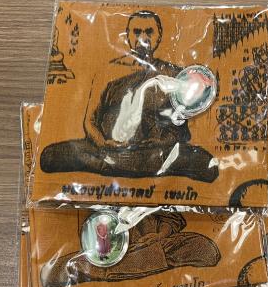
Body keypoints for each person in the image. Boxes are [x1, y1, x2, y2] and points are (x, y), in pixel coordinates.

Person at [40, 10, 219, 183]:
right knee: (49, 156)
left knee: (207, 164)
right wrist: (103, 144)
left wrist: (158, 142)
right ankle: (122, 164)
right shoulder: (108, 71)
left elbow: (179, 129)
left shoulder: (171, 74)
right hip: (109, 150)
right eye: (137, 32)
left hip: (152, 152)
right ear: (127, 35)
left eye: (149, 32)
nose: (143, 38)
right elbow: (90, 121)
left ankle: (114, 165)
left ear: (159, 35)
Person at [40, 212, 221, 287]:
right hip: (112, 254)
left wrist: (160, 235)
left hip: (158, 243)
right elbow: (95, 230)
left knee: (205, 248)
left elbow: (171, 217)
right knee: (54, 273)